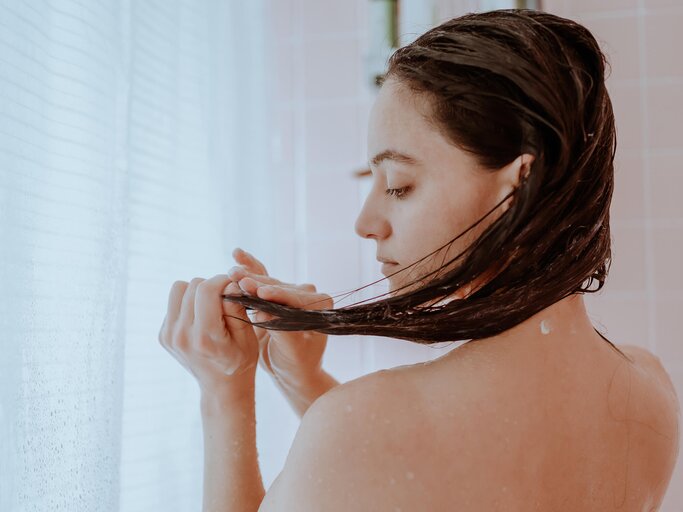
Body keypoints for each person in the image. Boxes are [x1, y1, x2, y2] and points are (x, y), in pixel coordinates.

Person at [159, 9, 680, 511]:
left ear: (519, 186)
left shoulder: (365, 423)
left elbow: (394, 459)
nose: (365, 223)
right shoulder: (649, 391)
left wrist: (224, 393)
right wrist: (303, 381)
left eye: (399, 186)